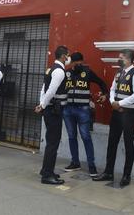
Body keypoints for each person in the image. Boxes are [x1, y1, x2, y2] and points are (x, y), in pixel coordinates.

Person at [93, 49, 134, 187]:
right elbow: (112, 89)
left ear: (128, 59)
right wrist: (113, 102)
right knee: (112, 142)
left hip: (129, 114)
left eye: (120, 57)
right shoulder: (119, 72)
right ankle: (108, 172)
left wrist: (120, 103)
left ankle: (127, 175)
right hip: (116, 113)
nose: (118, 59)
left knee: (128, 143)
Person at [62, 52, 108, 176]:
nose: (79, 65)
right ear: (72, 63)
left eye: (81, 62)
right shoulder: (67, 73)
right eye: (77, 63)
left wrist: (105, 94)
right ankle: (75, 162)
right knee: (71, 136)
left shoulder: (87, 72)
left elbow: (101, 82)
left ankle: (91, 166)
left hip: (83, 110)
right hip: (68, 109)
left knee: (86, 137)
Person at [34, 46, 71, 185]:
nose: (69, 58)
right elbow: (50, 90)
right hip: (54, 110)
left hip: (50, 109)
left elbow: (44, 88)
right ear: (63, 56)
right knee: (53, 143)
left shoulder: (51, 68)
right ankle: (47, 175)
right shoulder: (59, 71)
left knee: (51, 141)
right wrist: (42, 105)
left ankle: (46, 170)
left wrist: (42, 103)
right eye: (68, 55)